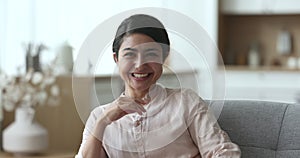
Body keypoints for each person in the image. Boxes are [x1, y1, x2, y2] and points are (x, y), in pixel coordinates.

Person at [76, 14, 241, 158]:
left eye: (151, 54)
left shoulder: (186, 103)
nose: (140, 65)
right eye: (129, 54)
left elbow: (224, 153)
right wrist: (103, 122)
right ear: (116, 59)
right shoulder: (99, 117)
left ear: (164, 57)